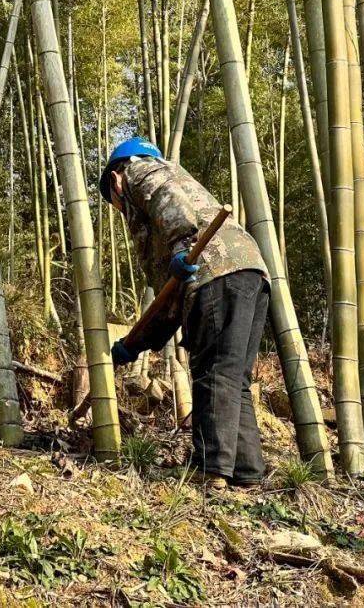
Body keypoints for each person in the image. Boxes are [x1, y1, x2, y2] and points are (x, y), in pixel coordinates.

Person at [99, 137, 269, 490]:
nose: (118, 207)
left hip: (215, 270)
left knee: (214, 371)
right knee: (234, 376)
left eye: (113, 201)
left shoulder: (141, 170)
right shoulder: (165, 213)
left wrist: (183, 243)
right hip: (249, 270)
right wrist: (136, 343)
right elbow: (170, 297)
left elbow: (169, 198)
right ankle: (246, 470)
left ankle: (211, 470)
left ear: (115, 179)